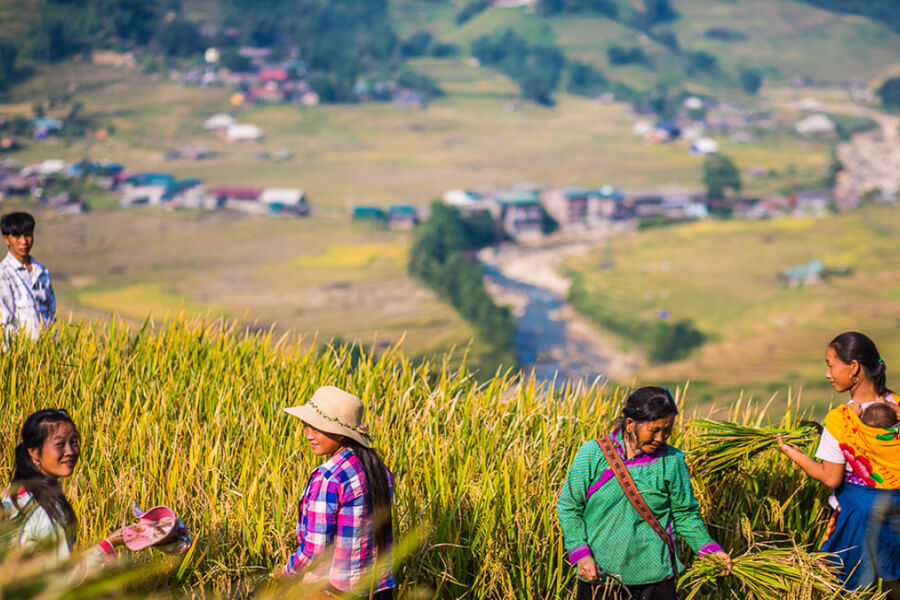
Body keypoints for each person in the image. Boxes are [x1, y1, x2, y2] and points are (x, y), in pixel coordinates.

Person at [558, 386, 731, 600]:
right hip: (602, 578)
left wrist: (710, 550)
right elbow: (569, 507)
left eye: (667, 430)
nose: (661, 438)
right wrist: (581, 554)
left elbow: (685, 515)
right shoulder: (593, 454)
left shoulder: (672, 460)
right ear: (630, 423)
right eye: (654, 430)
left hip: (657, 580)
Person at [777, 332, 900, 596]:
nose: (827, 373)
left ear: (854, 367)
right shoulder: (899, 406)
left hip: (860, 522)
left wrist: (793, 453)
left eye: (830, 364)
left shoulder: (840, 420)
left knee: (849, 590)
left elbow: (831, 478)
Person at [281, 386, 395, 599]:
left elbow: (314, 551)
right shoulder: (380, 470)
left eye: (317, 428)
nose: (308, 435)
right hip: (380, 589)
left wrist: (285, 575)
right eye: (306, 426)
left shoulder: (329, 477)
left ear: (341, 434)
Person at [1, 409, 121, 567]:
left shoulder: (12, 494)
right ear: (35, 452)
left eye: (74, 442)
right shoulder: (47, 510)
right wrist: (109, 544)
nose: (70, 451)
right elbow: (62, 577)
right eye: (59, 444)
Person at [0, 211, 56, 340]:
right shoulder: (4, 273)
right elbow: (4, 321)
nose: (24, 241)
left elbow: (51, 313)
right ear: (6, 239)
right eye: (17, 236)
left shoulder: (41, 272)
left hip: (46, 350)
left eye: (27, 235)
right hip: (19, 352)